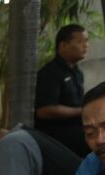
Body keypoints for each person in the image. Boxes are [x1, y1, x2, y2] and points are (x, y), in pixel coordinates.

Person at [35, 23, 91, 157]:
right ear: (63, 45)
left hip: (78, 131)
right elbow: (44, 111)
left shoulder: (77, 72)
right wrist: (81, 111)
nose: (86, 46)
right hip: (58, 138)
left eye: (86, 41)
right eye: (79, 42)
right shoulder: (50, 73)